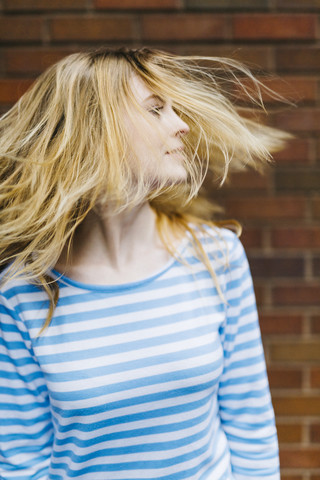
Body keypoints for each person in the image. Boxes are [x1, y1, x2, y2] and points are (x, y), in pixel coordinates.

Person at [0, 47, 288, 480]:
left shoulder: (218, 257)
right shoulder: (21, 292)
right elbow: (23, 462)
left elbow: (251, 430)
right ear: (95, 131)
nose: (182, 125)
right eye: (156, 110)